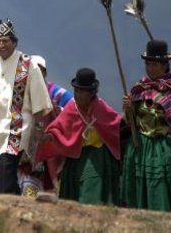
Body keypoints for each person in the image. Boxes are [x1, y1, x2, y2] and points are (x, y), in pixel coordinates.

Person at [120, 40, 171, 212]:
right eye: (147, 64)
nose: (150, 68)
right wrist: (129, 110)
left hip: (164, 148)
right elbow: (131, 123)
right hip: (140, 148)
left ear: (165, 66)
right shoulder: (139, 89)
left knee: (160, 188)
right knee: (140, 189)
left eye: (154, 64)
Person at [0, 19, 53, 195]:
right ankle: (16, 201)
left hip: (19, 127)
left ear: (14, 42)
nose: (1, 45)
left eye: (5, 41)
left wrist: (39, 127)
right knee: (6, 169)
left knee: (7, 166)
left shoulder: (28, 65)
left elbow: (39, 99)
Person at [36, 68, 121, 205]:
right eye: (76, 90)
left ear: (92, 93)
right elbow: (58, 128)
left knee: (92, 188)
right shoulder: (71, 108)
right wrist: (47, 136)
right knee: (72, 195)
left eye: (82, 91)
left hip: (97, 157)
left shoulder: (101, 108)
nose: (77, 94)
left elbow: (116, 125)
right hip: (76, 157)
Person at [29, 55, 73, 193]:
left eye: (39, 70)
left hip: (51, 147)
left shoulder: (56, 92)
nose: (35, 73)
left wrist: (57, 111)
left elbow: (75, 110)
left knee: (53, 182)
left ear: (45, 73)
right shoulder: (21, 93)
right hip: (29, 147)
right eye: (32, 70)